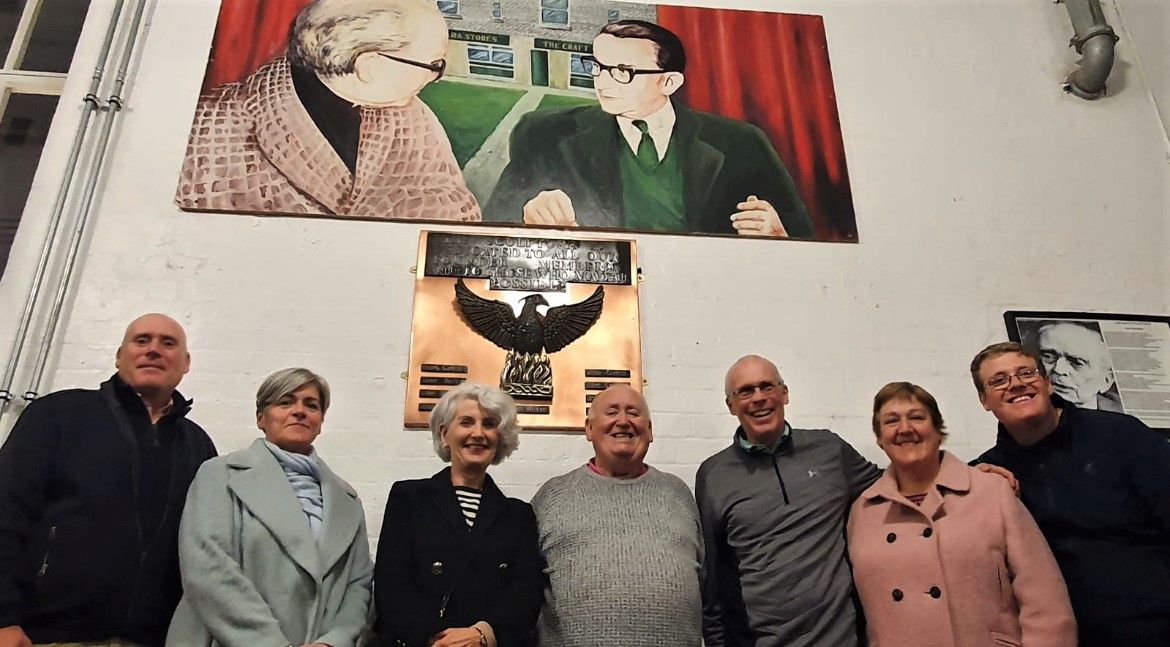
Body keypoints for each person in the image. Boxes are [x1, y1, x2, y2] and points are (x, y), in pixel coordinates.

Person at [0, 313, 217, 647]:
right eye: (142, 340)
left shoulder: (199, 446)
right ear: (119, 355)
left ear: (185, 362)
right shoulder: (58, 414)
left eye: (168, 343)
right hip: (41, 636)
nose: (154, 350)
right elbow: (6, 512)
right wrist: (4, 618)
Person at [485, 20, 812, 237]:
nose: (601, 81)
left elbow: (802, 236)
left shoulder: (741, 143)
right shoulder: (545, 132)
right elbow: (495, 219)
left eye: (623, 71)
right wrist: (527, 213)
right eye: (597, 66)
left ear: (668, 82)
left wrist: (777, 233)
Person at [176, 0, 480, 221]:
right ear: (369, 67)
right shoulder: (205, 132)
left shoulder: (414, 117)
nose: (434, 79)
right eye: (434, 66)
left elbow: (455, 210)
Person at [971, 342, 1170, 646]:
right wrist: (969, 484)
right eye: (999, 380)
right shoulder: (989, 473)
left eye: (1027, 372)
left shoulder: (1120, 435)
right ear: (984, 400)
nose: (1016, 384)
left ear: (1047, 383)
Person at [848, 381, 1076, 647]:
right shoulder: (863, 510)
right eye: (891, 421)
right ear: (879, 438)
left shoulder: (991, 491)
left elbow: (1044, 597)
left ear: (938, 429)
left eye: (917, 417)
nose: (905, 429)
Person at [166, 368, 373, 647]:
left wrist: (334, 641)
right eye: (285, 402)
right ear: (261, 418)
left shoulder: (347, 500)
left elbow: (357, 584)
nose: (299, 411)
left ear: (321, 421)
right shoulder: (220, 475)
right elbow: (207, 569)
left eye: (311, 405)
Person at [695, 354, 881, 647]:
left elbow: (894, 485)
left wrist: (971, 472)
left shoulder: (829, 449)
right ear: (731, 406)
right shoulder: (713, 475)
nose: (758, 398)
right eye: (745, 391)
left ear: (784, 393)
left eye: (767, 386)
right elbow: (713, 580)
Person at [531, 384, 702, 647]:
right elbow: (522, 590)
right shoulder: (552, 496)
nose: (623, 421)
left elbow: (708, 583)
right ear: (589, 429)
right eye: (612, 412)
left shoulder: (678, 493)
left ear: (650, 430)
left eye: (633, 413)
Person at [374, 382, 543, 647]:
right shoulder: (408, 498)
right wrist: (438, 639)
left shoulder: (519, 516)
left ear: (500, 438)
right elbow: (391, 582)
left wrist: (482, 635)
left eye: (489, 424)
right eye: (466, 422)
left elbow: (525, 591)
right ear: (444, 434)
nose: (478, 433)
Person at [1033, 320, 1122, 411]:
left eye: (1077, 363)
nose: (1058, 369)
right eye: (1048, 357)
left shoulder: (1121, 420)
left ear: (1106, 381)